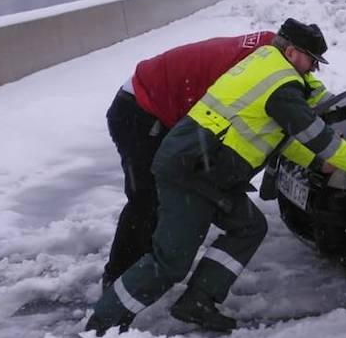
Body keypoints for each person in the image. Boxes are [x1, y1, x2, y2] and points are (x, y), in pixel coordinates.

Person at [87, 19, 346, 335]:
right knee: (170, 261)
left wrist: (320, 165)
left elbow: (278, 135)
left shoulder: (266, 64)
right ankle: (103, 323)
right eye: (312, 60)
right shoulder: (282, 83)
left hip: (207, 168)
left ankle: (198, 299)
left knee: (249, 226)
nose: (315, 69)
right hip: (192, 170)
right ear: (292, 52)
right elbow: (310, 131)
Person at [101, 29, 276, 287]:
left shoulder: (267, 52)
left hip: (158, 105)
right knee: (147, 198)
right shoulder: (254, 71)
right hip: (140, 110)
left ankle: (146, 268)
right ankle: (117, 280)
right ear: (293, 52)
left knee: (172, 192)